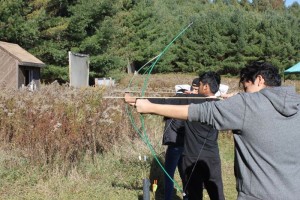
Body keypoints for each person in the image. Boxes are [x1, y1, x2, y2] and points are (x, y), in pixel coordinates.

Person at [126, 61, 300, 200]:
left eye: (246, 88)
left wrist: (149, 107)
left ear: (260, 80)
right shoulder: (296, 104)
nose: (245, 93)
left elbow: (197, 111)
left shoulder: (247, 105)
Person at [127, 72, 225, 200]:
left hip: (191, 159)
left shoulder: (190, 101)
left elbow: (165, 102)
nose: (197, 88)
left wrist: (134, 100)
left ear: (206, 87)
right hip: (213, 158)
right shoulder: (221, 104)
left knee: (194, 194)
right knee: (217, 193)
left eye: (200, 85)